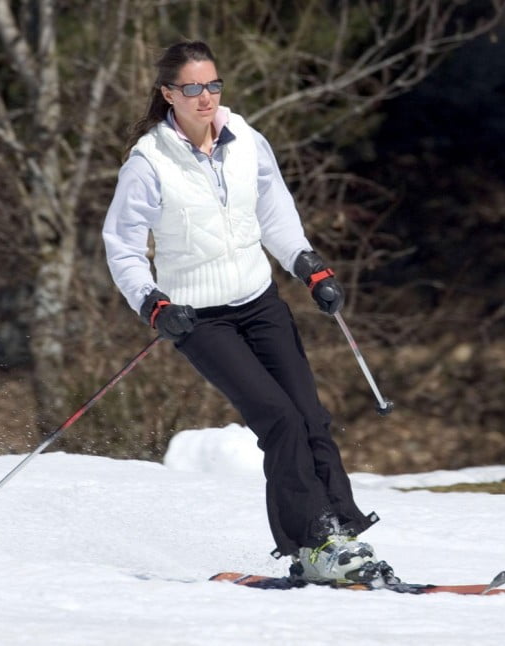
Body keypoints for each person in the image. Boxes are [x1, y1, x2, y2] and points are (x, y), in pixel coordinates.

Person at [103, 40, 383, 584]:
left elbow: (276, 213)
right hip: (198, 318)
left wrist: (307, 264)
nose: (205, 97)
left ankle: (341, 537)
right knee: (277, 421)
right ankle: (315, 540)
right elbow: (123, 246)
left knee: (310, 416)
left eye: (213, 84)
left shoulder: (246, 141)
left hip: (260, 303)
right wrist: (152, 303)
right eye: (191, 88)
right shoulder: (149, 162)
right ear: (168, 94)